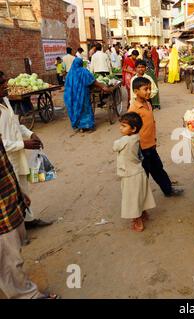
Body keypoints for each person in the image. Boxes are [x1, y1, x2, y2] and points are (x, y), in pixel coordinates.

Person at [0, 139, 59, 299]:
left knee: (11, 257)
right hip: (3, 216)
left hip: (9, 202)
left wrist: (18, 193)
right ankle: (28, 296)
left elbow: (4, 169)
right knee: (9, 261)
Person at [0, 71, 53, 230]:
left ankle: (28, 220)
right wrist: (24, 144)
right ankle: (17, 230)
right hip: (6, 162)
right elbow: (1, 143)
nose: (5, 86)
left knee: (23, 190)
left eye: (4, 82)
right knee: (11, 198)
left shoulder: (6, 102)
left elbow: (15, 125)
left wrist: (30, 133)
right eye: (1, 83)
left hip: (17, 156)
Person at [128, 77, 184, 197]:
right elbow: (128, 129)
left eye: (149, 89)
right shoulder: (134, 109)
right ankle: (139, 204)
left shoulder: (148, 103)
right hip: (141, 148)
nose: (148, 92)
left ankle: (168, 190)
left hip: (150, 145)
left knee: (158, 169)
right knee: (143, 176)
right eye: (145, 89)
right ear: (136, 91)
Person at [113, 112, 156, 232]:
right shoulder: (136, 137)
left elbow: (114, 146)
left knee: (131, 198)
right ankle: (144, 214)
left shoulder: (125, 140)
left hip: (129, 174)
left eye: (124, 126)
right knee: (140, 194)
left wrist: (121, 139)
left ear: (133, 128)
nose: (120, 128)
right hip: (138, 171)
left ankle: (138, 222)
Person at [64, 58, 112, 132]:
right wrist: (102, 86)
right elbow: (92, 81)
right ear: (81, 63)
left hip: (71, 95)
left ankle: (80, 126)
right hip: (82, 94)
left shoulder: (69, 73)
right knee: (85, 108)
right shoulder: (83, 71)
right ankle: (88, 126)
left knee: (75, 108)